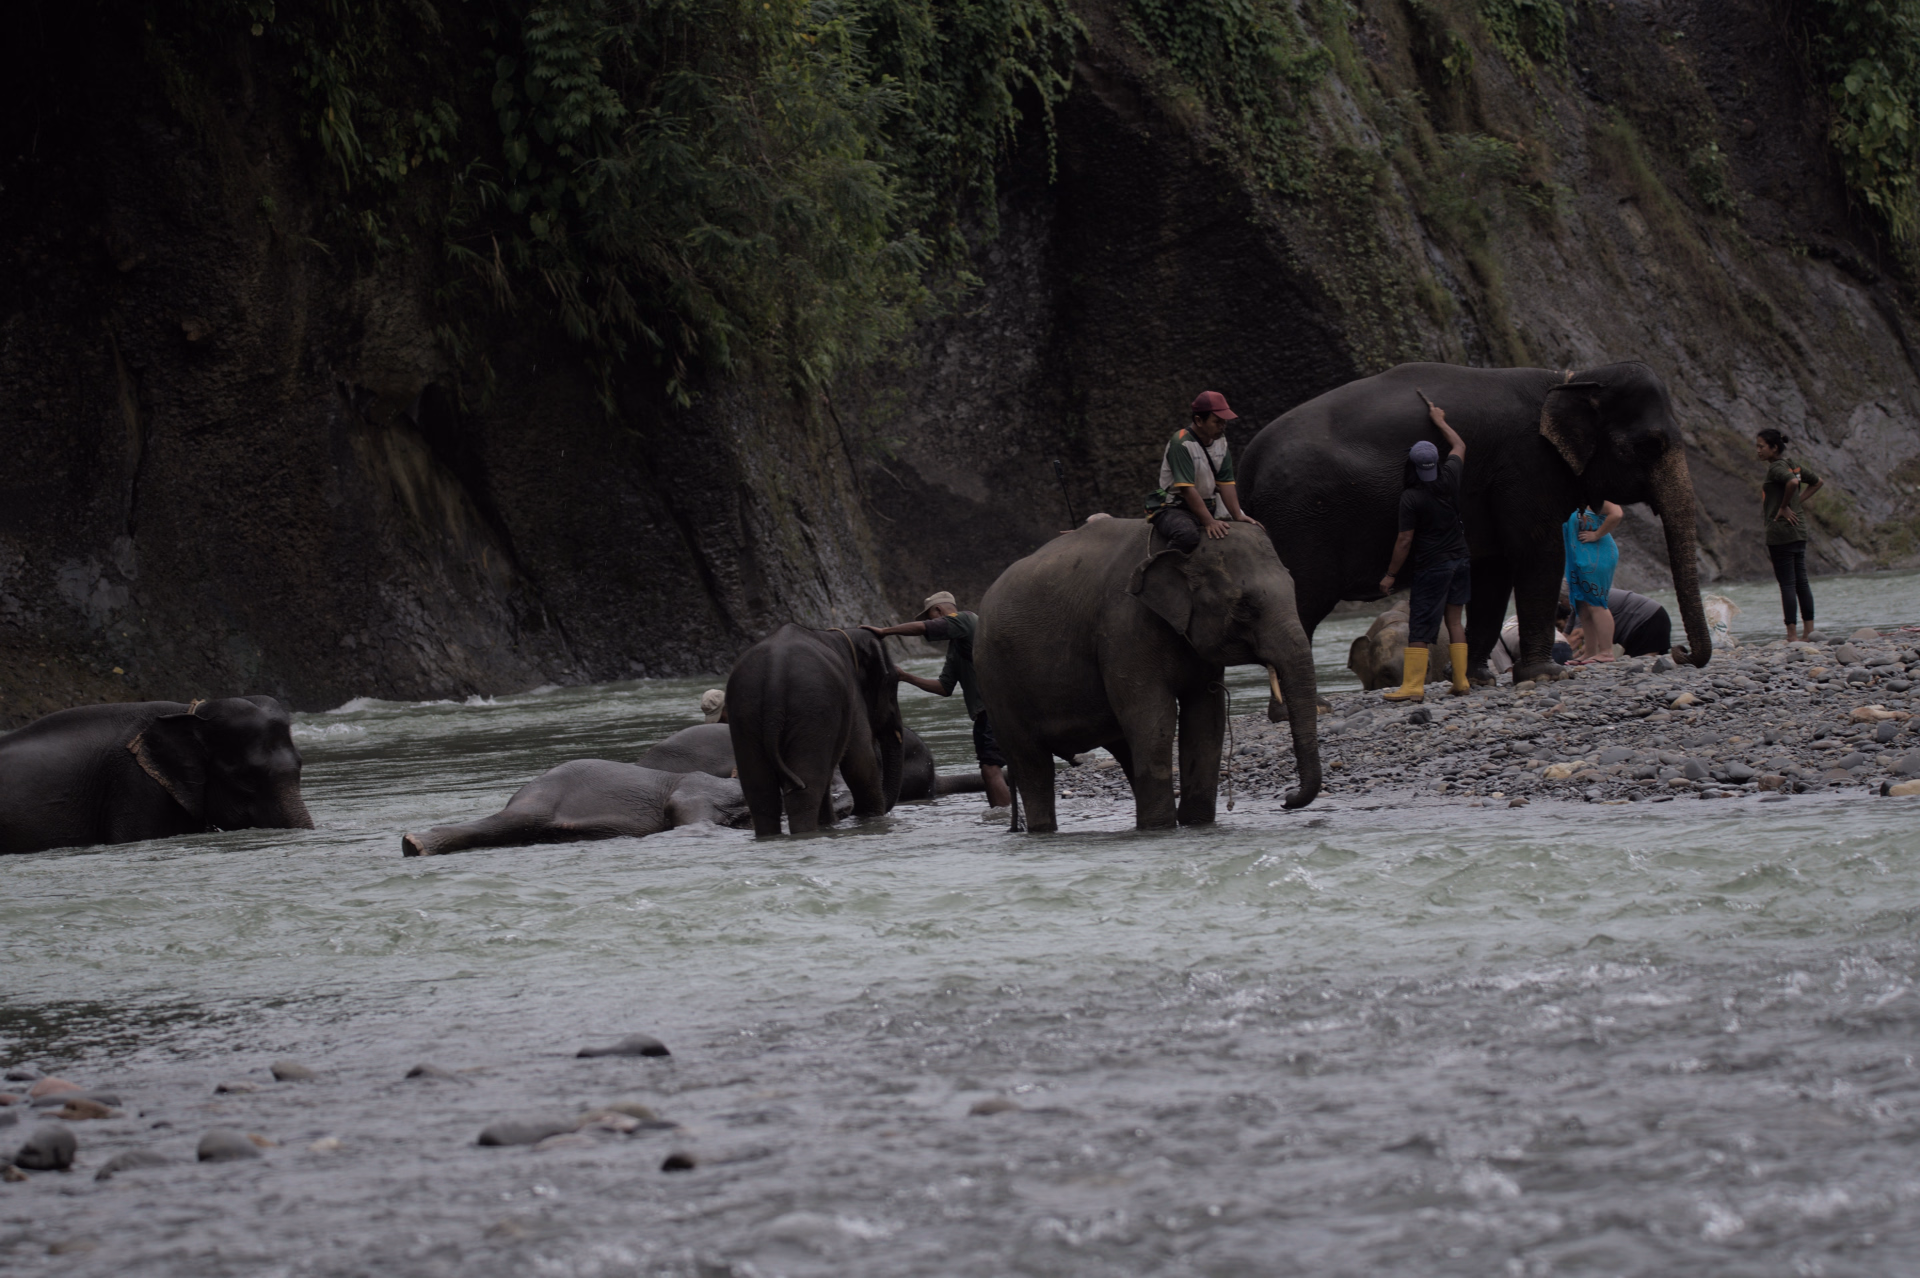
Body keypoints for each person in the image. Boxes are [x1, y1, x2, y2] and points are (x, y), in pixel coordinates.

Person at [863, 591, 1013, 814]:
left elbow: (924, 628)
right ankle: (1001, 815)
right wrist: (907, 677)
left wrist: (885, 632)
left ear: (939, 611)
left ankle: (1008, 817)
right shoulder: (956, 648)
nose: (930, 621)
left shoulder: (967, 619)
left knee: (991, 768)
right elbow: (944, 688)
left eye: (931, 616)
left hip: (996, 708)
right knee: (987, 768)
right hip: (985, 713)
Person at [1377, 398, 1470, 701]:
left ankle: (1413, 686)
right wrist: (1440, 420)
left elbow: (1404, 540)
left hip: (1433, 566)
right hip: (1460, 559)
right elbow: (1459, 447)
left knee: (1420, 624)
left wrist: (1390, 575)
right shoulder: (1451, 475)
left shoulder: (1411, 498)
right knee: (1455, 620)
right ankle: (1461, 681)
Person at [1147, 391, 1263, 551]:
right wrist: (1209, 521)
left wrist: (1238, 515)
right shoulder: (1181, 443)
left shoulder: (1220, 441)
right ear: (1199, 420)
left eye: (1224, 422)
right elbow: (1187, 489)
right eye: (1217, 422)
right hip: (1175, 507)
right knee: (1187, 536)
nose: (1222, 427)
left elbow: (1226, 483)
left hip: (1208, 504)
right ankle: (1162, 568)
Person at [1757, 428, 1822, 641]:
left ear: (1774, 448)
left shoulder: (1776, 468)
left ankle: (1792, 635)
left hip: (1781, 533)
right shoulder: (1793, 464)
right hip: (1799, 530)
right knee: (1801, 581)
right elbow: (1817, 482)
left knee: (1787, 583)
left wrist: (1785, 506)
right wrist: (1797, 502)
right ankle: (1809, 632)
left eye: (1761, 446)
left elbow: (1792, 483)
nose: (1758, 451)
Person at [1563, 500, 1623, 663]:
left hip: (1596, 556)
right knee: (1582, 606)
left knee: (1596, 602)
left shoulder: (1594, 496)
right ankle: (1590, 651)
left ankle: (1606, 651)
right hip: (1577, 559)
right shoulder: (1569, 497)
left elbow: (1617, 513)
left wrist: (1596, 534)